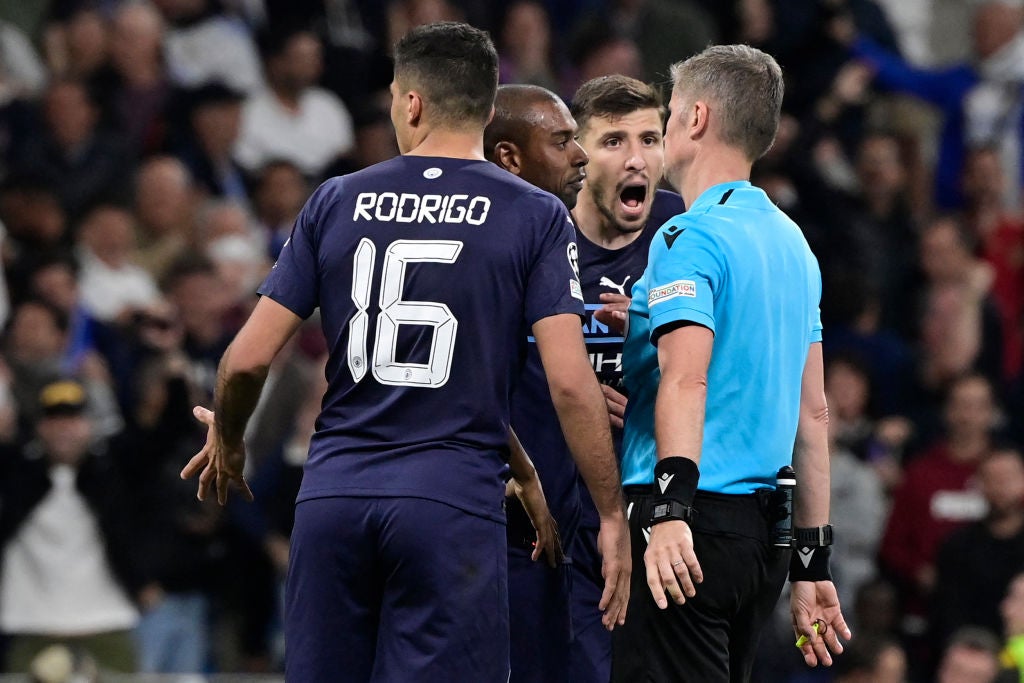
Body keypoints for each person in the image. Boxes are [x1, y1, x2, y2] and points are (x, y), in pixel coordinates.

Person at [180, 21, 630, 683]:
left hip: (332, 500)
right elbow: (568, 382)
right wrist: (611, 512)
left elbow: (244, 361)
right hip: (449, 507)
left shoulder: (333, 200)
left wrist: (232, 436)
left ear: (412, 102)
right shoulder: (532, 214)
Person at [605, 45, 850, 682]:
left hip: (687, 528)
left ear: (696, 119)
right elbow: (815, 415)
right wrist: (811, 562)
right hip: (760, 543)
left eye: (668, 113)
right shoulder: (795, 245)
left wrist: (668, 513)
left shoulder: (688, 236)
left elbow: (688, 377)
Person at [565, 74, 684, 682]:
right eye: (613, 141)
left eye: (650, 138)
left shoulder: (681, 231)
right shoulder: (541, 232)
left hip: (653, 497)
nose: (637, 157)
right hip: (553, 497)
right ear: (576, 155)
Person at [483, 82, 589, 683]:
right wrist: (523, 472)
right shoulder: (535, 225)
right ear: (509, 158)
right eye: (562, 141)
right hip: (506, 518)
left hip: (535, 521)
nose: (580, 156)